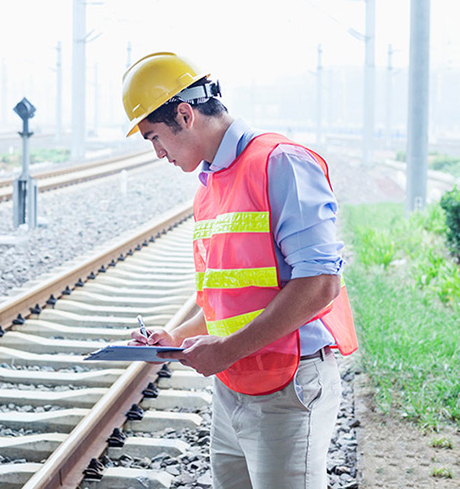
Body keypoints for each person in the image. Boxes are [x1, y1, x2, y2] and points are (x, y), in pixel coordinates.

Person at [123, 52, 358, 489]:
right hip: (234, 386)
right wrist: (175, 337)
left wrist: (227, 349)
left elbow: (321, 283)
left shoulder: (280, 162)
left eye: (155, 137)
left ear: (185, 114)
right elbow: (228, 298)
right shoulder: (210, 188)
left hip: (289, 386)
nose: (158, 153)